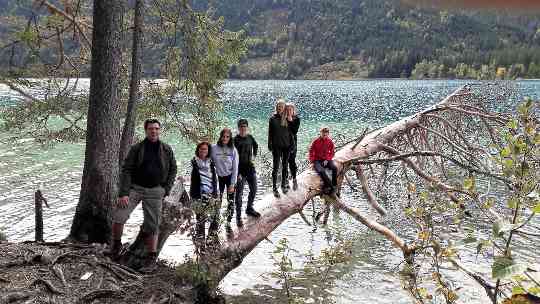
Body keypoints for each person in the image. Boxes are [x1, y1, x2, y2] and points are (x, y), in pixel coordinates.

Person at [111, 119, 177, 272]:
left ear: (159, 130)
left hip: (155, 191)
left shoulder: (166, 149)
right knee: (119, 216)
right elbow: (126, 170)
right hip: (136, 189)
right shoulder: (137, 148)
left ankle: (151, 258)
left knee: (152, 225)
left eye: (156, 128)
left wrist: (166, 189)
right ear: (146, 130)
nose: (154, 131)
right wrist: (124, 193)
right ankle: (116, 246)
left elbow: (173, 168)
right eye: (150, 129)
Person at [190, 141, 218, 253]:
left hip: (211, 194)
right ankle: (201, 247)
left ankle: (211, 242)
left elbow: (217, 176)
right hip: (198, 195)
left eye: (205, 149)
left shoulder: (211, 162)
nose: (203, 151)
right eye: (201, 149)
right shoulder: (193, 162)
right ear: (198, 150)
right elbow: (187, 172)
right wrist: (182, 178)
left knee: (215, 219)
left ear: (208, 151)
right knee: (200, 221)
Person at [234, 119, 261, 225]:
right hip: (239, 169)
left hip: (250, 167)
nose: (243, 128)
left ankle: (249, 208)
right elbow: (231, 157)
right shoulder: (234, 140)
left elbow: (256, 145)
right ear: (238, 128)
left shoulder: (250, 137)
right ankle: (238, 217)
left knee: (254, 189)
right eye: (241, 126)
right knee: (239, 194)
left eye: (244, 126)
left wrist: (254, 156)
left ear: (247, 127)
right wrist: (235, 173)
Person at [210, 128, 239, 227]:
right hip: (219, 177)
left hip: (230, 177)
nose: (225, 138)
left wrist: (232, 184)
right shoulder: (214, 148)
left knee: (230, 200)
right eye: (223, 136)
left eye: (227, 137)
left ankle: (229, 221)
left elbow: (235, 168)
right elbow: (207, 160)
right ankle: (216, 220)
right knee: (218, 199)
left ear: (230, 138)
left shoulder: (233, 150)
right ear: (220, 136)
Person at [268, 98, 292, 198]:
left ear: (284, 108)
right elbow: (270, 133)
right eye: (278, 107)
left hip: (286, 146)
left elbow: (292, 133)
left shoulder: (287, 118)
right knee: (276, 167)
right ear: (276, 107)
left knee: (285, 166)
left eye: (281, 107)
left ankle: (283, 185)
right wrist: (269, 144)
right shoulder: (272, 118)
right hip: (276, 146)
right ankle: (274, 188)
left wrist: (292, 145)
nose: (279, 108)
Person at [309, 126, 338, 195]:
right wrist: (312, 162)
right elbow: (311, 152)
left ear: (328, 134)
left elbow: (332, 152)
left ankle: (334, 184)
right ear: (320, 133)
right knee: (321, 171)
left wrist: (327, 160)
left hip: (326, 159)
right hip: (317, 160)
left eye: (326, 134)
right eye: (323, 134)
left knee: (334, 168)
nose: (324, 136)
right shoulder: (315, 141)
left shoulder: (330, 141)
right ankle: (330, 186)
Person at [285, 103, 300, 191]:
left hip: (293, 143)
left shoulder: (296, 119)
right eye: (287, 110)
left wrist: (290, 121)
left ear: (293, 110)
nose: (289, 111)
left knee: (292, 161)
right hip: (284, 143)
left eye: (290, 110)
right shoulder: (283, 119)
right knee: (284, 162)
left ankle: (294, 178)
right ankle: (286, 180)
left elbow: (295, 131)